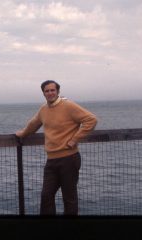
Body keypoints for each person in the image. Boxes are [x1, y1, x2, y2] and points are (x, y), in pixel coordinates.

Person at [15, 80, 97, 215]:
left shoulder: (68, 105)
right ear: (43, 93)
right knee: (46, 196)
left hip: (69, 159)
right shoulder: (43, 109)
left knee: (69, 198)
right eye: (46, 91)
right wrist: (22, 133)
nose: (50, 93)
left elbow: (91, 120)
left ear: (58, 91)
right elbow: (34, 124)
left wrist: (74, 139)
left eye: (52, 90)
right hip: (52, 160)